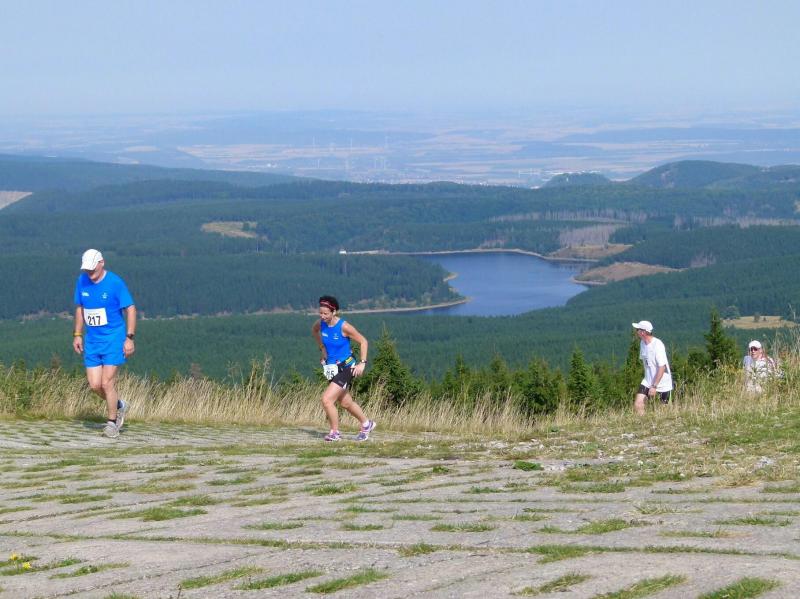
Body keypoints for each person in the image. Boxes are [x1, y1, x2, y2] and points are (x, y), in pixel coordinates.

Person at [72, 249, 136, 438]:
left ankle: (112, 423)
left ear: (102, 263)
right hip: (92, 341)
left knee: (107, 383)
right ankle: (119, 405)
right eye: (87, 269)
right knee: (94, 385)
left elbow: (130, 309)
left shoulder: (115, 283)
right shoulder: (82, 281)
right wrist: (77, 334)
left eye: (92, 269)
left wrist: (129, 338)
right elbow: (80, 308)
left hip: (113, 339)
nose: (89, 273)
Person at [311, 295, 376, 441]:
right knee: (346, 402)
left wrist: (362, 363)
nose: (322, 316)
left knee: (327, 400)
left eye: (325, 313)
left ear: (334, 312)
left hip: (347, 367)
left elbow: (363, 341)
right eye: (320, 313)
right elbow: (314, 331)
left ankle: (335, 433)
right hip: (332, 368)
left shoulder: (344, 327)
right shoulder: (320, 324)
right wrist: (322, 348)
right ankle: (367, 424)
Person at [632, 320, 673, 415]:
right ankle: (642, 421)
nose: (636, 331)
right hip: (648, 380)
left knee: (664, 412)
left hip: (663, 383)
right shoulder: (642, 343)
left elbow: (662, 367)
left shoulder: (657, 345)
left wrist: (654, 386)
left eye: (637, 329)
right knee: (638, 404)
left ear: (643, 332)